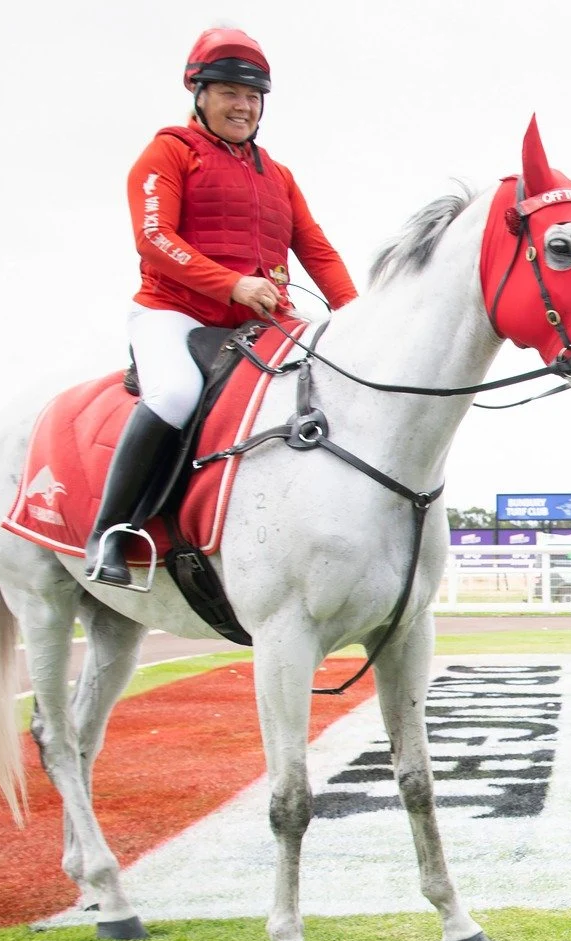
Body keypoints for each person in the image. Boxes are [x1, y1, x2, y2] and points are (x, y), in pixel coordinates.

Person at [85, 28, 357, 586]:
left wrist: (354, 318)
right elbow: (153, 238)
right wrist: (231, 285)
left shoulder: (278, 175)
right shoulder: (169, 152)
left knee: (328, 382)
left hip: (261, 320)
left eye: (254, 97)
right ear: (199, 93)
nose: (244, 106)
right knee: (176, 392)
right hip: (174, 314)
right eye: (231, 92)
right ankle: (111, 532)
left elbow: (317, 250)